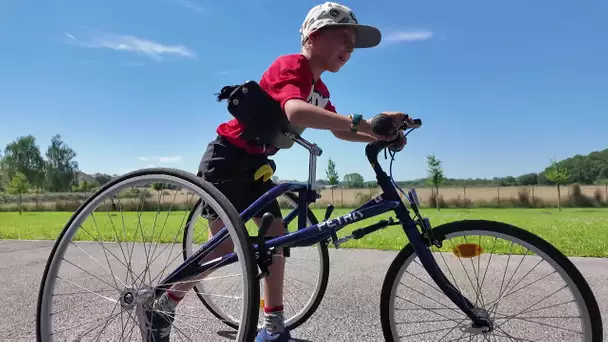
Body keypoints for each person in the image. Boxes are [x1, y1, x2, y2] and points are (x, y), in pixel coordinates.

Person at [144, 2, 409, 341]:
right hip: (227, 158)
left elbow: (340, 130)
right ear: (313, 36)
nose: (349, 48)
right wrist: (366, 123)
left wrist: (379, 133)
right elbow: (295, 110)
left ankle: (272, 327)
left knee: (276, 236)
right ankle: (163, 303)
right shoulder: (292, 66)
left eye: (353, 45)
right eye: (344, 37)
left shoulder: (320, 90)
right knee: (223, 248)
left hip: (256, 165)